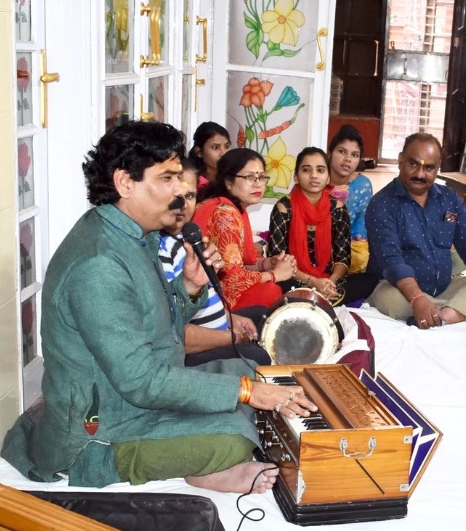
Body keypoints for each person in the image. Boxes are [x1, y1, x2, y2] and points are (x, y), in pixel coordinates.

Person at [0, 121, 317, 494]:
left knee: (252, 368)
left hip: (137, 397)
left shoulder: (134, 235)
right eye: (167, 178)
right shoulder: (98, 264)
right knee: (232, 437)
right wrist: (247, 393)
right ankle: (196, 468)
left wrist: (188, 287)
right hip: (101, 431)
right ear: (125, 183)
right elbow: (142, 381)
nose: (182, 189)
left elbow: (156, 327)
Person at [366, 132, 466, 328]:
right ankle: (453, 312)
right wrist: (418, 298)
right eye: (413, 164)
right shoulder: (382, 204)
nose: (420, 174)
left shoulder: (449, 199)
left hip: (445, 287)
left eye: (428, 168)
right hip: (398, 288)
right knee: (387, 299)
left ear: (438, 168)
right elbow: (391, 261)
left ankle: (441, 316)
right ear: (401, 160)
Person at [159, 159, 270, 367]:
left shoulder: (184, 239)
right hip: (190, 353)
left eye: (190, 195)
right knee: (257, 355)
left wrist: (229, 318)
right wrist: (233, 338)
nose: (183, 204)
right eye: (175, 196)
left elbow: (204, 304)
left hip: (215, 327)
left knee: (265, 316)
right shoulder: (160, 250)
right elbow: (178, 335)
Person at [267, 146, 379, 306]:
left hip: (327, 278)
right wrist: (313, 282)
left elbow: (343, 257)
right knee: (276, 285)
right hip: (293, 277)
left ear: (327, 178)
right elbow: (277, 259)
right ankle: (320, 299)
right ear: (296, 177)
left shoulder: (338, 208)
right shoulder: (284, 208)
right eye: (306, 170)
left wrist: (330, 282)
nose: (314, 176)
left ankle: (311, 298)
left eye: (320, 170)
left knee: (370, 279)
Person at [194, 148, 297, 310]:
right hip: (208, 297)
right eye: (249, 177)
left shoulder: (235, 209)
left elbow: (240, 262)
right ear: (229, 182)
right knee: (272, 290)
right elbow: (231, 278)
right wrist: (275, 274)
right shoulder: (225, 213)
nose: (258, 183)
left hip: (214, 289)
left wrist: (267, 263)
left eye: (261, 177)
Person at [327, 124, 374, 277]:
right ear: (330, 152)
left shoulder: (362, 185)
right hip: (313, 242)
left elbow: (360, 228)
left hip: (347, 248)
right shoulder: (316, 178)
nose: (348, 159)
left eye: (354, 155)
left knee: (361, 257)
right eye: (342, 151)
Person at [187, 121, 232, 189]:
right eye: (215, 147)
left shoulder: (233, 178)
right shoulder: (192, 182)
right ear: (199, 152)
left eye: (227, 146)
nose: (223, 153)